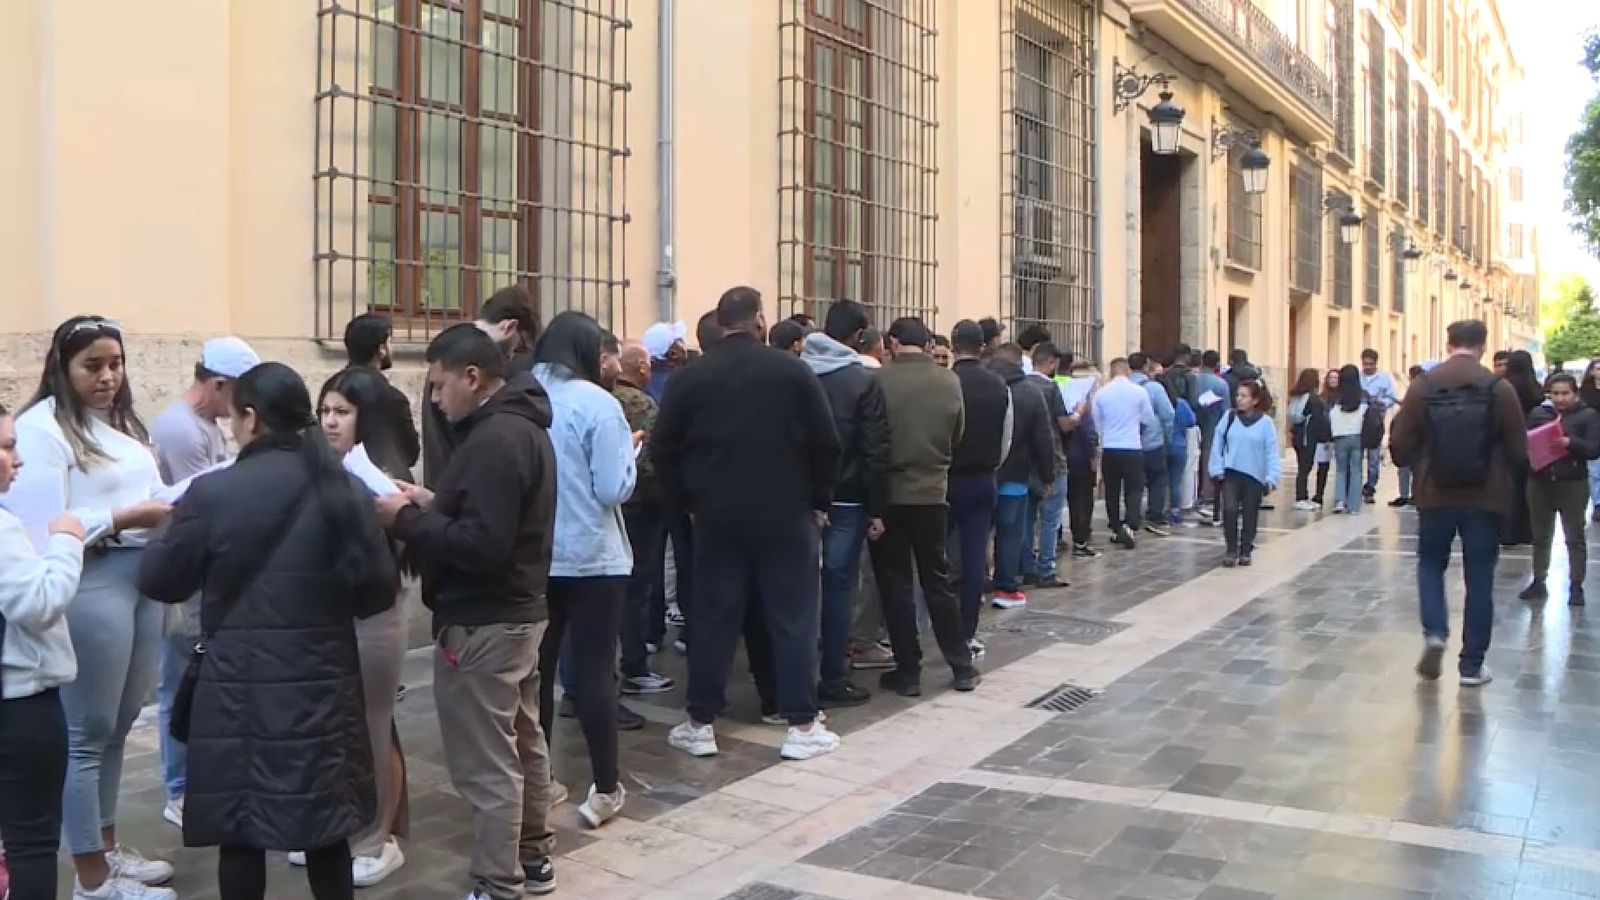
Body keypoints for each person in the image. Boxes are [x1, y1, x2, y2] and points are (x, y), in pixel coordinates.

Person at [138, 362, 396, 900]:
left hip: (236, 691)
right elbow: (376, 592)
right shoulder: (343, 489)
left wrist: (161, 525)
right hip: (322, 687)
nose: (232, 427)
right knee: (327, 833)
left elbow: (161, 580)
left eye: (234, 416)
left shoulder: (212, 495)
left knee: (241, 832)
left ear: (251, 418)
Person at [376, 323, 561, 900]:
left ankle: (497, 881)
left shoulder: (496, 440)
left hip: (485, 619)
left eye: (437, 386)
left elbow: (482, 544)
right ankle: (532, 858)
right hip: (517, 611)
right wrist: (431, 501)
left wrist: (403, 521)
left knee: (487, 760)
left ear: (472, 378)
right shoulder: (514, 429)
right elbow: (486, 515)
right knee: (522, 741)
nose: (433, 400)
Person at [15, 316, 175, 900]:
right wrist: (125, 519)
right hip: (93, 581)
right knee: (87, 730)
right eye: (93, 366)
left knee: (121, 722)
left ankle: (106, 844)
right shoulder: (41, 430)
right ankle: (90, 877)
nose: (109, 377)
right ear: (62, 368)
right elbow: (45, 529)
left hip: (140, 576)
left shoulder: (115, 423)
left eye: (116, 364)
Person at [651, 286, 843, 760]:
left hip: (716, 515)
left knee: (714, 619)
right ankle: (801, 725)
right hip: (786, 511)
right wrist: (820, 500)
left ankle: (699, 723)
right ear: (759, 320)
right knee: (793, 617)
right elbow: (826, 443)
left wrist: (687, 505)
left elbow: (663, 450)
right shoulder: (792, 371)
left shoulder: (690, 379)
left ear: (720, 322)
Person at [304, 367, 415, 885]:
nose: (330, 421)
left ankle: (377, 836)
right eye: (324, 410)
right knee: (335, 726)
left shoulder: (378, 476)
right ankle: (341, 828)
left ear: (364, 418)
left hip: (374, 613)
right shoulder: (320, 468)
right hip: (329, 613)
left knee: (373, 725)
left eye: (342, 412)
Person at [528, 312, 637, 828]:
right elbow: (612, 488)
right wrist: (631, 456)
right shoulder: (599, 405)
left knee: (537, 673)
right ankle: (605, 789)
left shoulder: (522, 399)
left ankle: (539, 781)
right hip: (593, 557)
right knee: (593, 675)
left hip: (537, 556)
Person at [147, 336, 260, 833]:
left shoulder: (207, 426)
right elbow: (197, 508)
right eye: (236, 392)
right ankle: (178, 788)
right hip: (188, 575)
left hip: (202, 575)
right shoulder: (181, 431)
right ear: (217, 384)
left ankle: (198, 777)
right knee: (178, 682)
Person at [1392, 320, 1528, 687]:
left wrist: (1419, 462)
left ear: (1448, 344)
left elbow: (1400, 446)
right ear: (1483, 346)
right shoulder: (1499, 388)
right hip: (1485, 498)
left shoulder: (1424, 385)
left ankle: (1435, 631)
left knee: (1430, 564)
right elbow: (1519, 449)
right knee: (1480, 578)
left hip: (1435, 494)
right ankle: (1471, 666)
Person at [0, 400, 86, 900]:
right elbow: (38, 601)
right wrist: (66, 541)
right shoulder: (4, 527)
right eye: (8, 446)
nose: (18, 459)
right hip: (19, 700)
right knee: (31, 842)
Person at [870, 317, 981, 693]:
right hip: (933, 492)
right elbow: (958, 433)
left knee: (896, 584)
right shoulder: (949, 380)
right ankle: (961, 665)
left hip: (891, 494)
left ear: (894, 342)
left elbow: (873, 437)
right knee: (937, 581)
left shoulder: (880, 380)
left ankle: (908, 670)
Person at [800, 300, 889, 708]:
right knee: (839, 586)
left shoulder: (797, 372)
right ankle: (834, 675)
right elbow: (874, 448)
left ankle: (797, 674)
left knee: (799, 586)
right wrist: (876, 505)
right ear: (857, 337)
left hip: (800, 495)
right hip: (848, 497)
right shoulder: (862, 380)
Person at [421, 285, 539, 489]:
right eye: (519, 346)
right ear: (509, 328)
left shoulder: (451, 355)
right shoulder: (460, 363)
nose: (513, 356)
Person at [612, 344, 676, 697]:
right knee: (637, 587)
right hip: (641, 505)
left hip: (612, 506)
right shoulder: (642, 404)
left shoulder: (602, 396)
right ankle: (635, 665)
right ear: (639, 368)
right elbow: (653, 457)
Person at [946, 320, 1012, 652]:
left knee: (935, 556)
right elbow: (1006, 438)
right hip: (983, 478)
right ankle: (966, 629)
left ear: (954, 346)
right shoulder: (999, 385)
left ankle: (935, 625)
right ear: (982, 347)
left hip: (945, 478)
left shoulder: (945, 382)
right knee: (974, 559)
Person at [1520, 372, 1600, 605]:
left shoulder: (1587, 416)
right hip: (1540, 481)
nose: (1560, 398)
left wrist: (1570, 442)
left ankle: (1576, 585)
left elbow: (1594, 449)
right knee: (1540, 535)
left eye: (1565, 393)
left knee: (1574, 536)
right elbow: (1525, 442)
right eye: (1555, 394)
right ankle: (1538, 580)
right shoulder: (1538, 414)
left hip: (1572, 482)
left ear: (1574, 394)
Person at [988, 344, 1054, 609]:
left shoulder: (978, 386)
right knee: (1010, 532)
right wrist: (1047, 475)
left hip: (980, 475)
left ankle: (973, 583)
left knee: (975, 532)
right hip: (1015, 476)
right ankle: (1006, 586)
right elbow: (1043, 439)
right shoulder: (1030, 392)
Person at [1209, 380, 1281, 567]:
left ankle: (1246, 549)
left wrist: (1272, 477)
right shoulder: (1229, 417)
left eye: (1244, 396)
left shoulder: (1266, 424)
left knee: (1250, 513)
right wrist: (1216, 468)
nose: (1239, 399)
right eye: (1238, 395)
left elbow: (1271, 451)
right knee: (1230, 510)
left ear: (1255, 400)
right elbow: (1217, 443)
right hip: (1231, 472)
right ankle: (1231, 549)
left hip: (1254, 476)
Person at [1023, 342, 1074, 587]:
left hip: (1025, 461)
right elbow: (1063, 424)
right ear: (1051, 363)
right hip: (1052, 460)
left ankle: (1026, 567)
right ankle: (1046, 569)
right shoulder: (1051, 388)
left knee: (1027, 517)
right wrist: (1079, 414)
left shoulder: (1020, 385)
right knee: (1050, 519)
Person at [342, 313, 422, 468]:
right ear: (382, 349)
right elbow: (410, 453)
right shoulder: (392, 397)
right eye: (390, 342)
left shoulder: (331, 389)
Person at [1094, 359, 1154, 548]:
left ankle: (1115, 527)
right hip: (1132, 446)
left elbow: (1097, 423)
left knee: (1111, 490)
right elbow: (1149, 418)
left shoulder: (1102, 394)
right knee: (1134, 490)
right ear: (1127, 371)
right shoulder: (1139, 392)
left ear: (1111, 372)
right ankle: (1130, 525)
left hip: (1110, 447)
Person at [1501, 350, 1545, 546]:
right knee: (1527, 487)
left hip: (1510, 440)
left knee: (1510, 488)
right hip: (1533, 440)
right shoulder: (1536, 387)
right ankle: (1527, 532)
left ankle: (1509, 532)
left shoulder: (1507, 387)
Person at [1128, 353, 1175, 535]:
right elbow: (1168, 415)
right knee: (1157, 479)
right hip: (1153, 443)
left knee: (1133, 483)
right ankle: (1155, 513)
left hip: (1130, 443)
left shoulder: (1123, 386)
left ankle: (1133, 516)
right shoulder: (1154, 388)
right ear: (1146, 365)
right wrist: (1167, 438)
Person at [1062, 359, 1102, 558]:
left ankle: (1061, 538)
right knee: (1083, 499)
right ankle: (1081, 539)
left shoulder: (1062, 392)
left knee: (1067, 497)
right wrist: (1094, 454)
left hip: (1065, 455)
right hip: (1081, 457)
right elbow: (1088, 430)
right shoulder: (1082, 401)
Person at [1327, 364, 1369, 514]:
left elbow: (1330, 414)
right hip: (1357, 435)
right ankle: (1354, 506)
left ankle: (1339, 501)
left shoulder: (1336, 396)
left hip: (1339, 435)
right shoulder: (1363, 395)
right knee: (1356, 470)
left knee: (1340, 470)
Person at [1357, 349, 1397, 503]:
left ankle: (1370, 488)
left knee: (1373, 459)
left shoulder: (1384, 379)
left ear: (1376, 363)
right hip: (1358, 422)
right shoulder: (1358, 378)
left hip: (1375, 423)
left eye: (1370, 364)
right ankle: (1356, 486)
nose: (1367, 367)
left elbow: (1391, 398)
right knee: (1357, 457)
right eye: (1365, 364)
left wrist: (1381, 403)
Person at [1286, 369, 1329, 511]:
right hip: (1308, 437)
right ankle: (1301, 497)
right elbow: (1319, 420)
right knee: (1306, 467)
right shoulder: (1314, 399)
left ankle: (1301, 496)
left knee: (1302, 467)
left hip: (1297, 435)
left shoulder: (1296, 396)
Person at [1194, 352, 1230, 518]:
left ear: (1202, 362)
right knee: (1208, 457)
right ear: (1217, 364)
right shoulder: (1221, 384)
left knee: (1192, 460)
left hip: (1193, 423)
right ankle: (1206, 495)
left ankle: (1192, 493)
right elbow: (1226, 410)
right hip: (1213, 423)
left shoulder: (1193, 379)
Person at [1389, 365, 1426, 508]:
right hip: (1414, 435)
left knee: (1408, 467)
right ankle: (1413, 495)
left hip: (1411, 435)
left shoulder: (1416, 391)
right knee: (1414, 467)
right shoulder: (1422, 390)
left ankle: (1408, 495)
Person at [1311, 368, 1342, 506]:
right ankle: (1319, 494)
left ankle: (1341, 496)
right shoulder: (1322, 397)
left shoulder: (1343, 397)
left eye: (1335, 378)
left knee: (1341, 466)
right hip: (1324, 436)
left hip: (1339, 434)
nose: (1332, 380)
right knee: (1322, 466)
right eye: (1330, 378)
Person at [641, 321, 689, 400]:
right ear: (673, 354)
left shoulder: (643, 382)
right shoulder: (681, 384)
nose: (685, 345)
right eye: (681, 341)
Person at [1581, 359, 1600, 520]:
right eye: (1598, 369)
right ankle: (1598, 504)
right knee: (1594, 471)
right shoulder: (1586, 390)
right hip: (1593, 432)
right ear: (1592, 371)